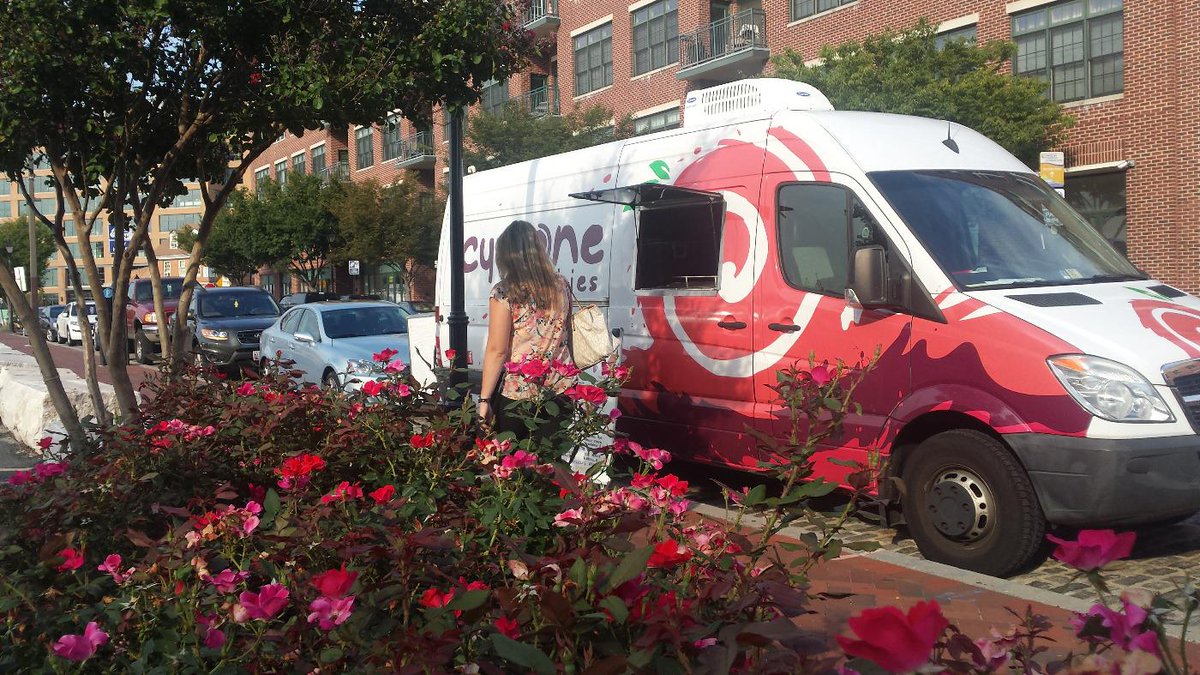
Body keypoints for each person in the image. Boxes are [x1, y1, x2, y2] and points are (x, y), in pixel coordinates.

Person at [478, 220, 575, 441]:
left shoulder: (504, 292)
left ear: (505, 255)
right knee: (551, 462)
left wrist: (484, 400)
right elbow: (565, 332)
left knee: (514, 463)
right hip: (560, 389)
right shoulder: (561, 285)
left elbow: (497, 350)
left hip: (519, 393)